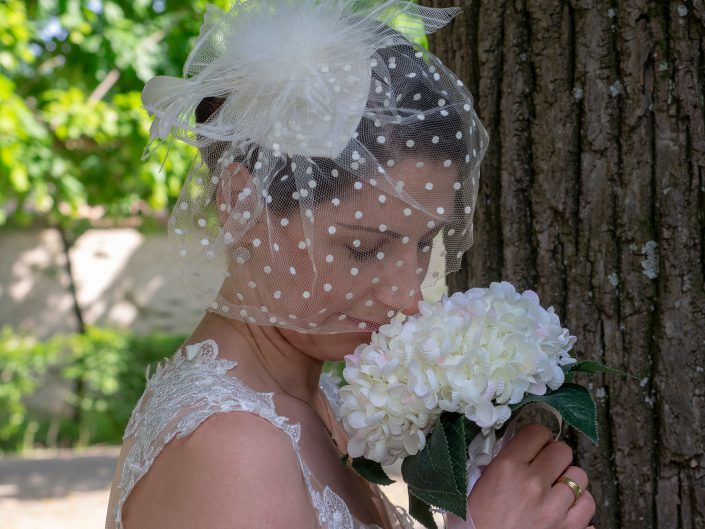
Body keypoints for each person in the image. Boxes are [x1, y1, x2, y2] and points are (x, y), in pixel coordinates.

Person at [104, 1, 596, 528]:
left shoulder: (324, 403)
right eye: (364, 248)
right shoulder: (232, 446)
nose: (408, 296)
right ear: (241, 205)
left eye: (425, 241)